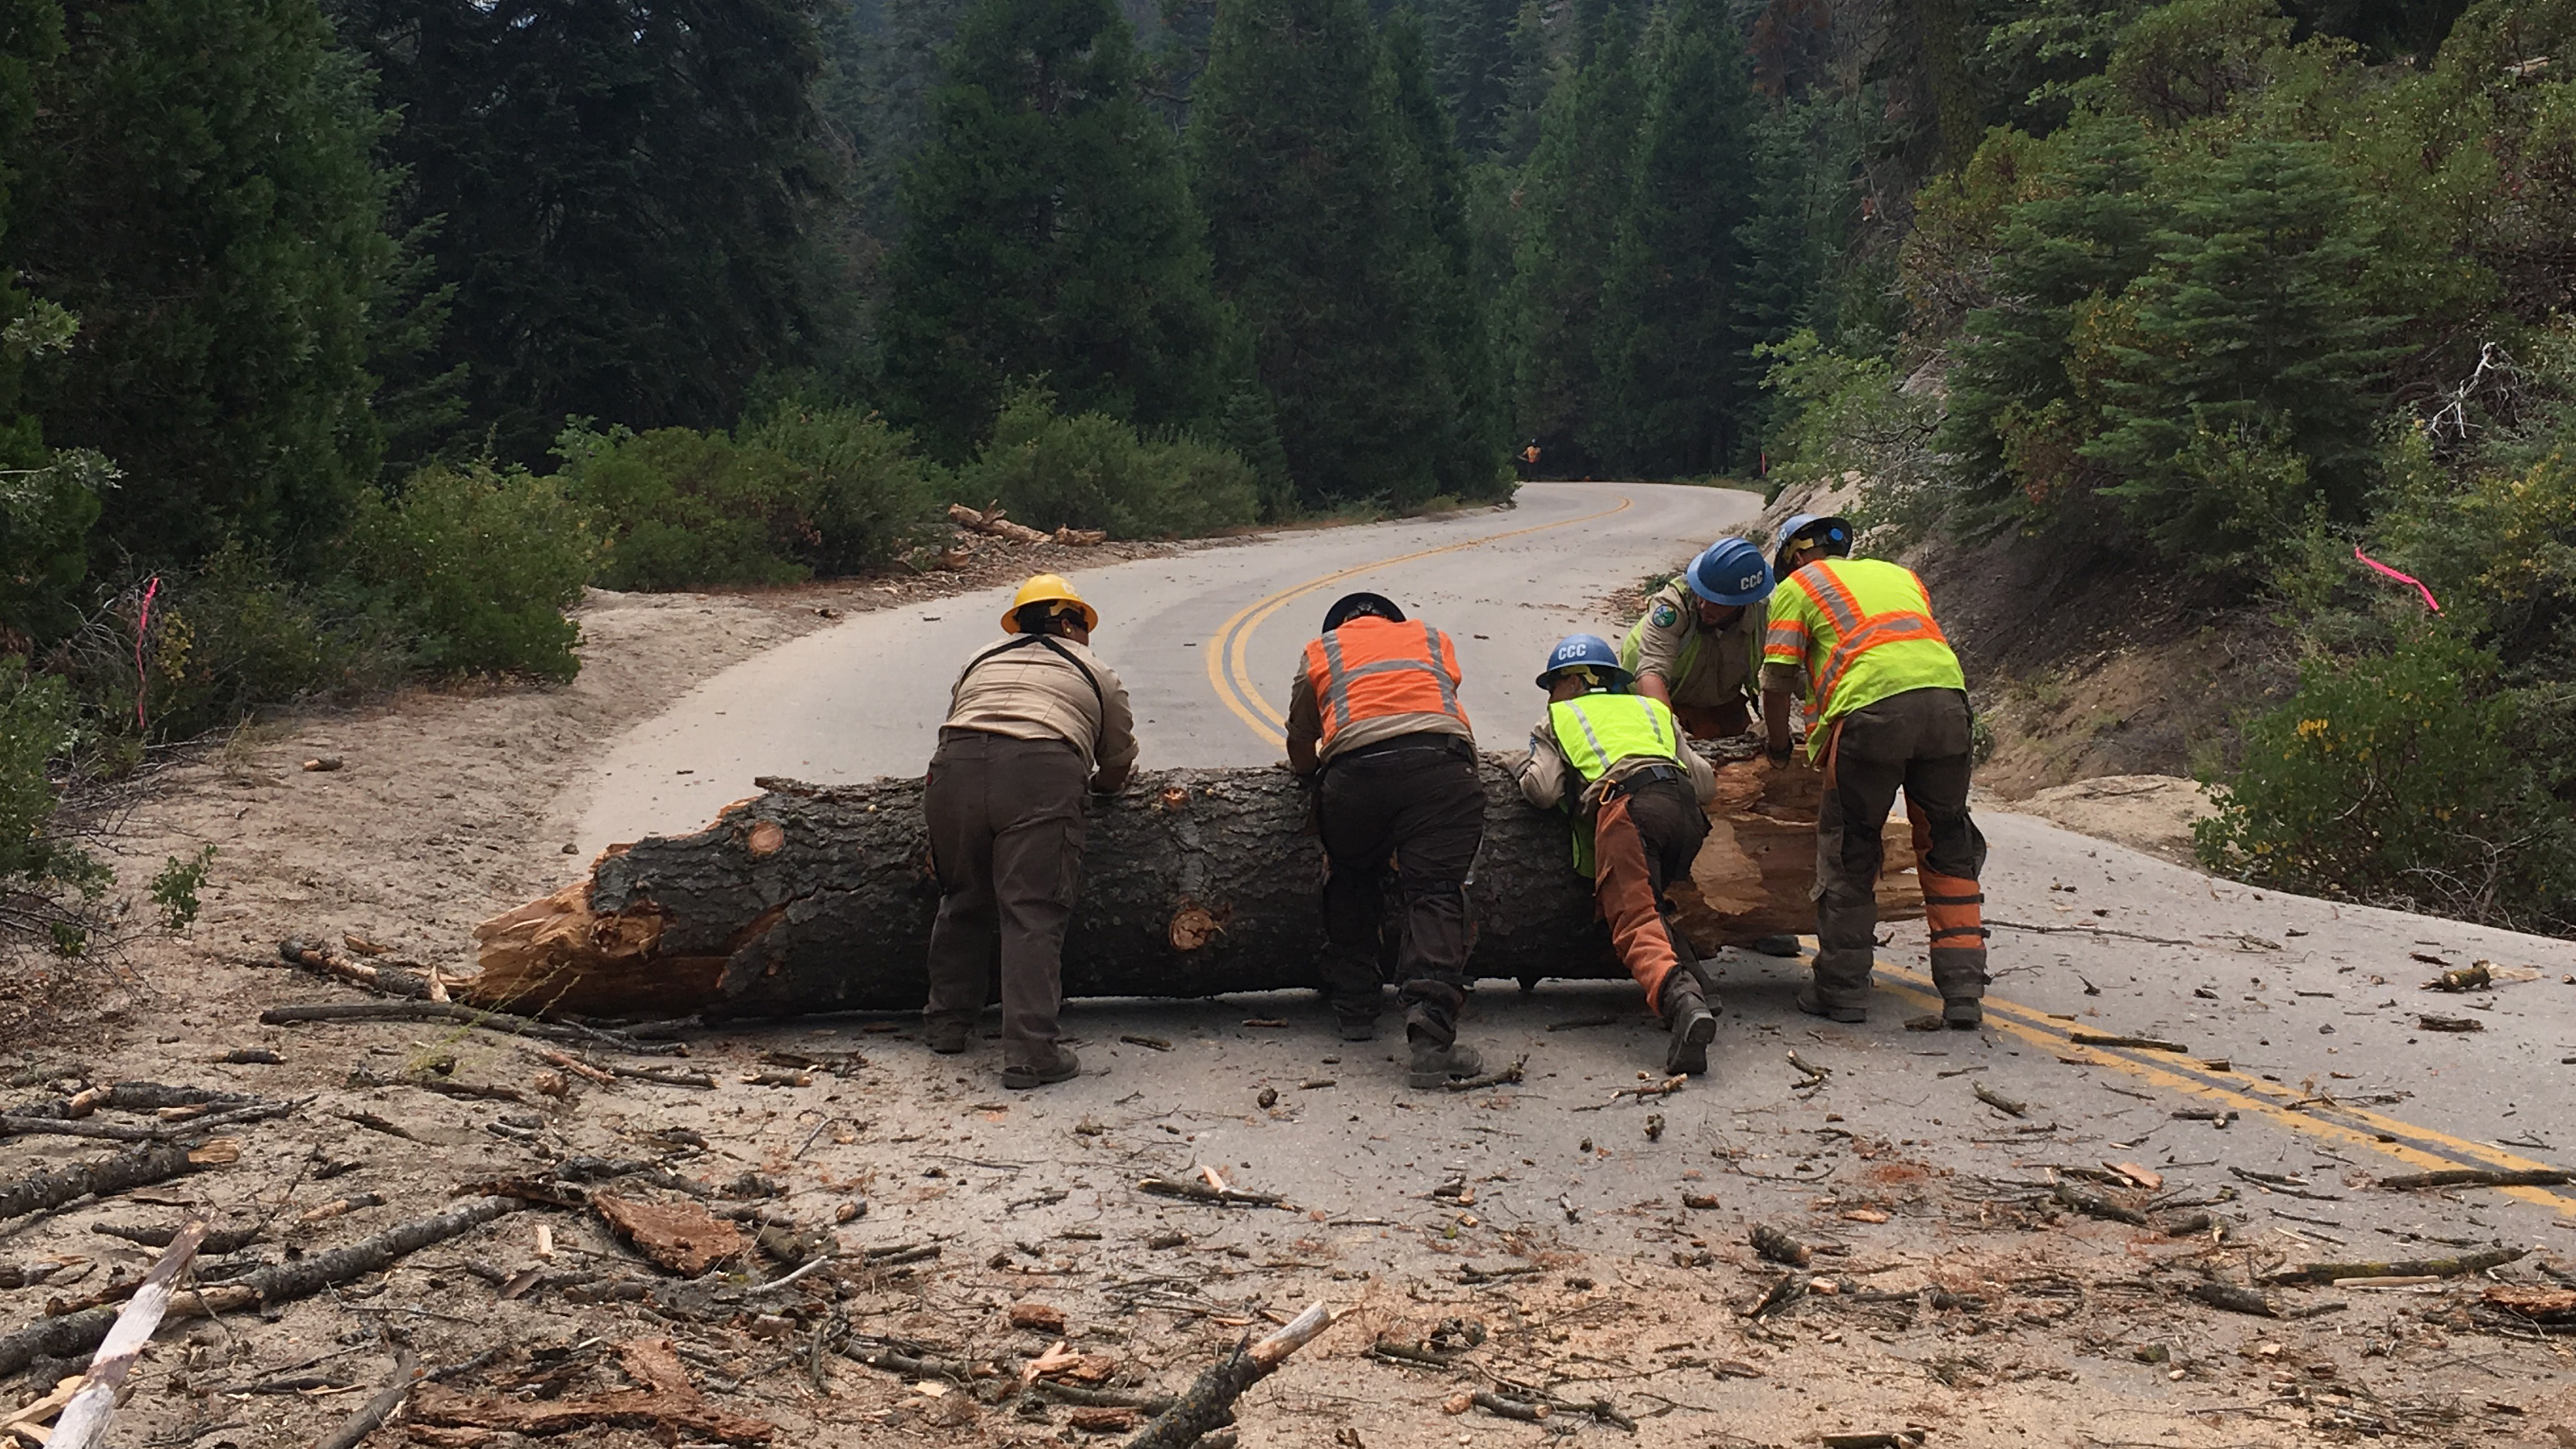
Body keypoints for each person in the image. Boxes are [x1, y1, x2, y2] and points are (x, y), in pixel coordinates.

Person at [1759, 523, 1988, 1028]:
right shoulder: (1900, 574)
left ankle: (1841, 989)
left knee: (1851, 850)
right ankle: (1964, 988)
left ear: (1793, 559)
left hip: (1872, 717)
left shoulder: (1797, 588)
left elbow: (1777, 680)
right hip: (1949, 706)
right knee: (1948, 841)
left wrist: (1779, 745)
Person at [923, 574, 1137, 1088]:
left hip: (952, 766)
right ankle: (1030, 1052)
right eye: (1082, 624)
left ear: (1019, 624)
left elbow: (961, 717)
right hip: (1040, 766)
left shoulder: (979, 658)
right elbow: (1118, 759)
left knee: (962, 894)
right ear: (1068, 622)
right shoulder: (1094, 670)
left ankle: (948, 1022)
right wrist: (1104, 790)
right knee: (1031, 909)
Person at [1283, 591, 1486, 1087]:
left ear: (1338, 627)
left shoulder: (1321, 652)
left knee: (1351, 873)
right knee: (1436, 890)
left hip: (1355, 773)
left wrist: (1315, 778)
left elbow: (1299, 740)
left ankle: (1355, 1006)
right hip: (1441, 767)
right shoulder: (1432, 639)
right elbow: (1441, 702)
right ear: (1391, 619)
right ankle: (1430, 1035)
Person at [1514, 635, 1722, 1074]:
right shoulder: (1652, 711)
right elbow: (1705, 785)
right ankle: (1699, 984)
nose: (1551, 696)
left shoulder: (1562, 718)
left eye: (1553, 685)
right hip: (1683, 812)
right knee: (1650, 896)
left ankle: (1681, 1001)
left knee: (1634, 920)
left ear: (1573, 682)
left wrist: (1517, 764)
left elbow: (1543, 791)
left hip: (1630, 808)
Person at [1622, 537, 1773, 740]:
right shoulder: (1671, 608)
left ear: (1743, 603)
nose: (1704, 605)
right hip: (1655, 700)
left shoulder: (1762, 615)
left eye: (1717, 601)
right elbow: (1651, 673)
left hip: (1720, 703)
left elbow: (1790, 673)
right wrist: (1673, 735)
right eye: (1702, 593)